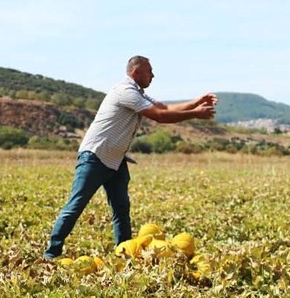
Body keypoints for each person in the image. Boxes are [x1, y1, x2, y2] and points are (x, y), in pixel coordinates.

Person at [44, 56, 217, 259]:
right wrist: (195, 114)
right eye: (149, 71)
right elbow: (160, 116)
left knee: (121, 209)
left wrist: (196, 102)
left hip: (116, 160)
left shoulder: (138, 93)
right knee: (76, 205)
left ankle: (124, 253)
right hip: (95, 156)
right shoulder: (125, 91)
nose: (153, 75)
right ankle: (51, 254)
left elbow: (166, 108)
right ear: (136, 72)